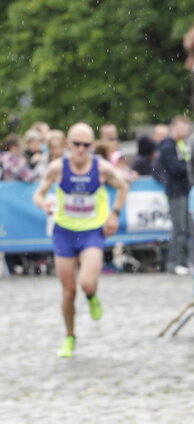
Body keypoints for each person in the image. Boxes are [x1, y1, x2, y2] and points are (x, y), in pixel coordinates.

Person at [32, 122, 129, 358]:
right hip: (64, 232)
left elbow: (123, 187)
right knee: (68, 292)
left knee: (86, 282)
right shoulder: (58, 168)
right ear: (68, 144)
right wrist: (44, 204)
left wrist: (114, 214)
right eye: (77, 144)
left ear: (92, 146)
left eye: (87, 145)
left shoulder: (102, 169)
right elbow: (38, 193)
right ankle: (69, 336)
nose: (81, 149)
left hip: (91, 233)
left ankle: (92, 296)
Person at [156, 115, 192, 275]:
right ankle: (174, 262)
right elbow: (176, 169)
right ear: (174, 128)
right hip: (176, 192)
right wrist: (190, 168)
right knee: (179, 228)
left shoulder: (181, 145)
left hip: (183, 190)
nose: (185, 131)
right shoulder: (168, 147)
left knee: (185, 228)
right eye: (182, 127)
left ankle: (183, 261)